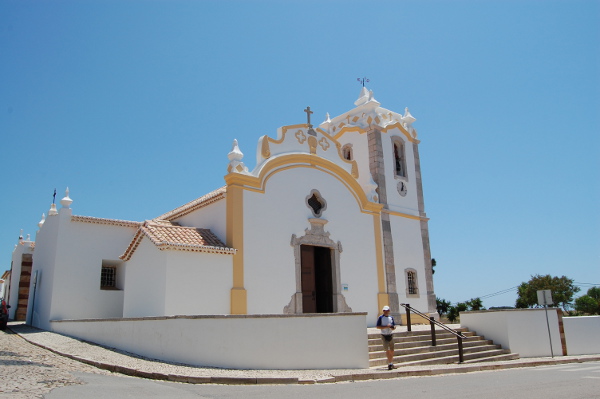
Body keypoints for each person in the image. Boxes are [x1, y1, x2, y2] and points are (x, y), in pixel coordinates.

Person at [376, 305, 396, 370]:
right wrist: (386, 326)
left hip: (390, 334)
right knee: (387, 349)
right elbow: (378, 326)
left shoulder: (391, 317)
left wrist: (392, 327)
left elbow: (394, 326)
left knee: (392, 349)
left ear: (389, 311)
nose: (385, 312)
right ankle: (390, 363)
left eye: (387, 310)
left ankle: (391, 362)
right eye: (384, 310)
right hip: (384, 335)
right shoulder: (380, 317)